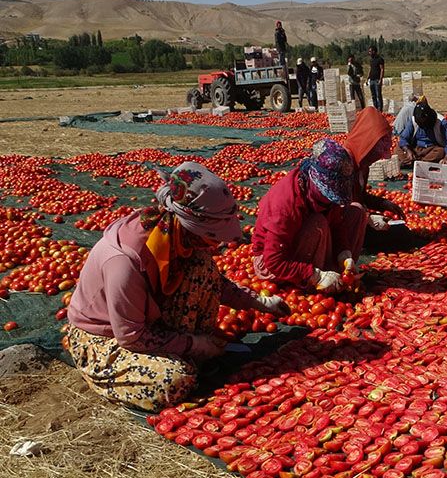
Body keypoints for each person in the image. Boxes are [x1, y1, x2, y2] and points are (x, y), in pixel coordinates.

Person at [65, 162, 289, 412]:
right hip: (108, 337)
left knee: (201, 265)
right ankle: (103, 374)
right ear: (191, 225)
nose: (217, 245)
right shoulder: (125, 261)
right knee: (175, 380)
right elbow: (130, 336)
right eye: (212, 236)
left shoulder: (176, 236)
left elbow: (213, 282)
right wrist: (197, 345)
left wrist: (258, 301)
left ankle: (188, 354)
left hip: (147, 323)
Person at [252, 147, 366, 293]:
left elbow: (337, 224)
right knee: (318, 223)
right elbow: (274, 261)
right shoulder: (285, 203)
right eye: (328, 193)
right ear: (314, 181)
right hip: (272, 263)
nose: (331, 199)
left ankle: (339, 275)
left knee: (356, 211)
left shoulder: (324, 197)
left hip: (307, 246)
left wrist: (344, 254)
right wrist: (315, 275)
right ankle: (314, 280)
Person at [345, 108, 408, 243]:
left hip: (357, 218)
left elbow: (360, 197)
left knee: (400, 232)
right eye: (376, 152)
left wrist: (383, 204)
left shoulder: (363, 165)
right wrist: (367, 218)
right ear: (367, 143)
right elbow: (338, 206)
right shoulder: (344, 163)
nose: (379, 158)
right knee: (400, 236)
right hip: (343, 226)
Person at [396, 101, 447, 166]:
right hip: (415, 148)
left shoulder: (441, 121)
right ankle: (420, 163)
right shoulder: (413, 121)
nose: (422, 125)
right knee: (398, 148)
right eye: (420, 123)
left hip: (432, 149)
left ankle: (414, 163)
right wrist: (408, 151)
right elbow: (403, 138)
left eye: (424, 123)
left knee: (441, 152)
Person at [367, 45, 385, 111]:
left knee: (378, 95)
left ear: (374, 51)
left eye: (370, 51)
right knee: (373, 95)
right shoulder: (371, 60)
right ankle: (375, 108)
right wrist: (367, 78)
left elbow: (382, 69)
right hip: (371, 79)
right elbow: (370, 69)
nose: (369, 53)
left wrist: (381, 79)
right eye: (369, 51)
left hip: (377, 80)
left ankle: (380, 110)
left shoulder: (380, 59)